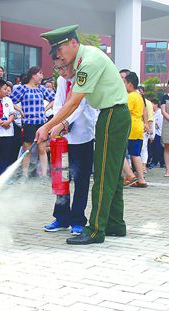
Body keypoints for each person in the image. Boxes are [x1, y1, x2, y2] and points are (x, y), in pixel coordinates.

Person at [37, 25, 131, 245]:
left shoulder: (88, 62)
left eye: (59, 48)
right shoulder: (82, 61)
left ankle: (96, 230)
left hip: (112, 116)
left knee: (102, 175)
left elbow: (74, 101)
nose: (57, 55)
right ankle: (115, 224)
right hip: (112, 115)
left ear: (73, 43)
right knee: (113, 175)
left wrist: (48, 125)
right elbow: (69, 81)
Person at [43, 57, 97, 235]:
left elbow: (79, 105)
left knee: (81, 180)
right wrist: (57, 123)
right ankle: (61, 217)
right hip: (63, 139)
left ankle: (78, 220)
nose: (61, 73)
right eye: (58, 69)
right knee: (61, 177)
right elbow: (59, 103)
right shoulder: (61, 80)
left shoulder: (83, 78)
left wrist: (63, 123)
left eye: (64, 69)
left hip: (82, 136)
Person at [10, 66, 55, 178]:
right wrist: (20, 110)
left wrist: (45, 109)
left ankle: (44, 174)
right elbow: (10, 101)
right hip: (28, 122)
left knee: (42, 149)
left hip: (41, 122)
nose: (42, 76)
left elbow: (53, 99)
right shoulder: (22, 88)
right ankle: (25, 174)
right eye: (40, 73)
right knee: (27, 149)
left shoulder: (42, 88)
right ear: (33, 75)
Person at [122, 71, 148, 187]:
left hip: (130, 128)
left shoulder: (131, 96)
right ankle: (141, 179)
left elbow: (124, 112)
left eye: (124, 82)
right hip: (138, 127)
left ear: (130, 84)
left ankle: (130, 175)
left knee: (120, 153)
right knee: (136, 154)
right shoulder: (139, 96)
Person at [151, 99, 164, 168]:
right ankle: (154, 161)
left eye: (152, 104)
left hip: (159, 133)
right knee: (153, 149)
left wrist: (154, 124)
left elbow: (159, 125)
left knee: (159, 148)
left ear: (156, 104)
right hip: (153, 133)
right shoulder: (152, 112)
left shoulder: (160, 113)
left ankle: (161, 162)